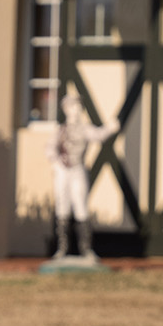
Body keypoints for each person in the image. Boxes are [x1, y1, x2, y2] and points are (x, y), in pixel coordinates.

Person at [43, 87, 120, 266]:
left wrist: (110, 128)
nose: (76, 110)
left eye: (78, 106)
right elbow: (49, 148)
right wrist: (56, 163)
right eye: (73, 106)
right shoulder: (60, 130)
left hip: (78, 170)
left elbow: (98, 135)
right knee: (62, 206)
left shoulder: (84, 129)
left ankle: (86, 249)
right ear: (66, 109)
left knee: (80, 206)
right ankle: (62, 248)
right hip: (63, 170)